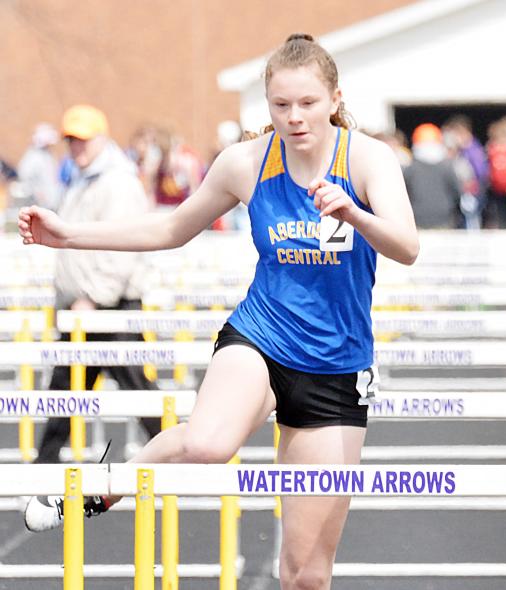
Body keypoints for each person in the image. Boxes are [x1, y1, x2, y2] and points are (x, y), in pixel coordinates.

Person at [20, 33, 418, 590]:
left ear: (334, 99)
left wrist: (355, 213)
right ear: (267, 106)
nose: (295, 117)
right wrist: (70, 237)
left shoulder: (368, 158)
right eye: (281, 106)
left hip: (336, 366)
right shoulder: (247, 162)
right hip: (261, 337)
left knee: (306, 575)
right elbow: (169, 228)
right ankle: (103, 485)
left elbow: (407, 246)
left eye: (306, 104)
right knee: (208, 442)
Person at [33, 104, 161, 464]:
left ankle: (180, 455)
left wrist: (93, 296)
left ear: (102, 139)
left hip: (109, 308)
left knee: (136, 390)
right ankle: (43, 464)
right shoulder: (83, 179)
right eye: (71, 140)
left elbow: (122, 248)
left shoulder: (116, 183)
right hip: (84, 307)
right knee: (66, 389)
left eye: (83, 139)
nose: (76, 147)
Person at [403, 122, 461, 229]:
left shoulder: (410, 169)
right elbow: (456, 191)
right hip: (444, 219)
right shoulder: (447, 167)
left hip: (417, 219)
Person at [17, 123, 63, 211]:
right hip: (39, 206)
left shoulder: (48, 155)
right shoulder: (33, 157)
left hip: (51, 204)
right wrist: (38, 194)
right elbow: (25, 178)